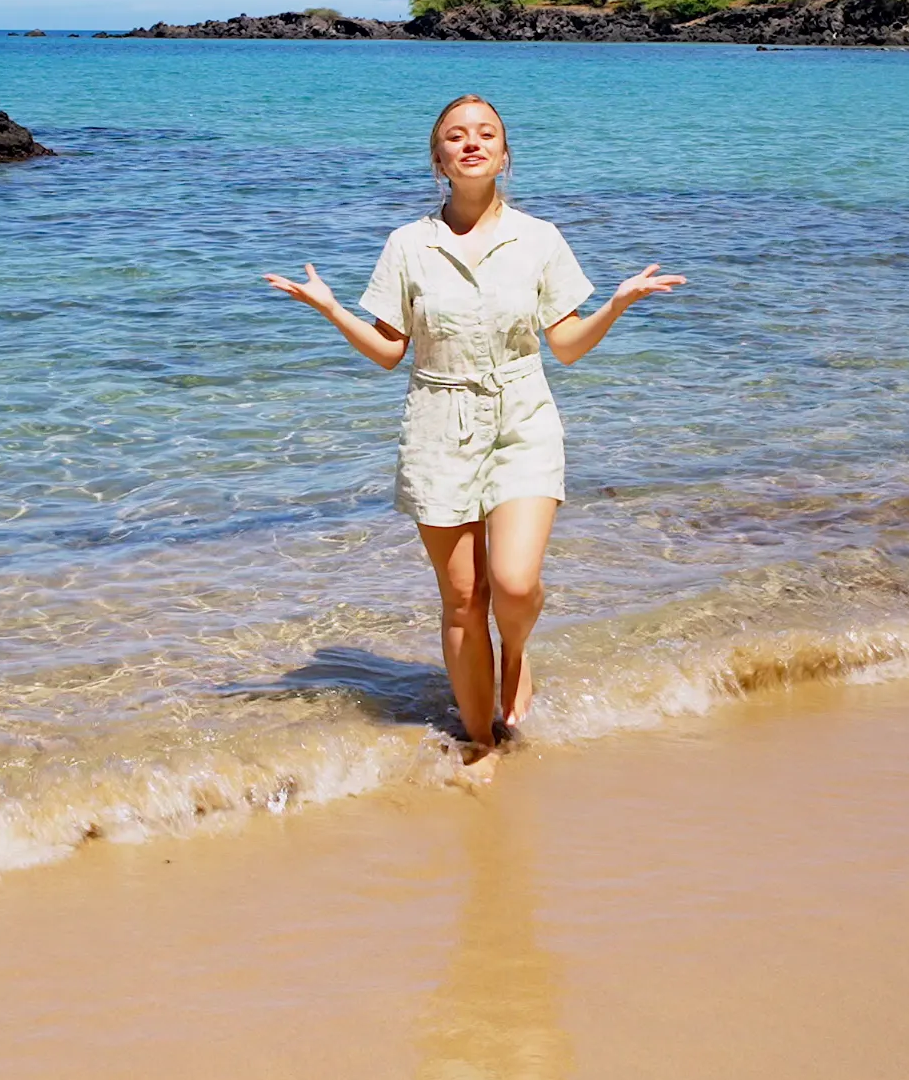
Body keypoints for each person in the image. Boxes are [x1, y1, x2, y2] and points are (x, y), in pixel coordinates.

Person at [263, 94, 685, 772]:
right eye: (456, 137)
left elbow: (567, 347)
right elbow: (388, 351)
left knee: (513, 584)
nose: (471, 144)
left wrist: (617, 303)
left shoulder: (541, 238)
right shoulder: (409, 244)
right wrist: (331, 308)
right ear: (438, 159)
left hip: (522, 415)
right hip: (437, 421)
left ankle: (516, 654)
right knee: (463, 599)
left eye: (485, 134)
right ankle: (480, 746)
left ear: (504, 153)